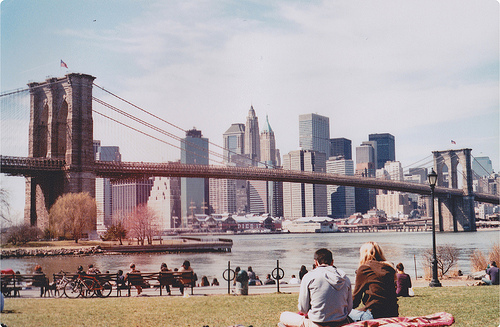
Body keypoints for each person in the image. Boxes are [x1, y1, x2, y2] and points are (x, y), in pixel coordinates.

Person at [279, 248, 352, 327]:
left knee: (283, 316)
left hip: (317, 323)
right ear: (332, 262)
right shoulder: (345, 279)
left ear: (316, 262)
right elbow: (349, 308)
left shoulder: (309, 277)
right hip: (341, 322)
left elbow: (303, 309)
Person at [349, 242, 399, 322]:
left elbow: (355, 300)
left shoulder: (365, 269)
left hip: (374, 314)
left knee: (344, 314)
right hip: (392, 313)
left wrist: (342, 308)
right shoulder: (389, 268)